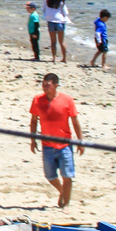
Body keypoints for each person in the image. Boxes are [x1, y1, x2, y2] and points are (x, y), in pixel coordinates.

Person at [30, 73, 83, 209]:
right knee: (50, 176)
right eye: (43, 84)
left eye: (48, 85)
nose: (45, 87)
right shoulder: (37, 100)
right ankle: (62, 192)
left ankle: (66, 204)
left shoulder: (67, 100)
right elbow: (34, 120)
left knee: (67, 176)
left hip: (65, 144)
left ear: (55, 85)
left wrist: (80, 141)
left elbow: (75, 121)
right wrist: (33, 139)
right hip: (47, 145)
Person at [43, 0, 71, 64]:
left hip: (50, 22)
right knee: (61, 41)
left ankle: (54, 58)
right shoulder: (61, 1)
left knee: (53, 41)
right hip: (60, 22)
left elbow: (43, 10)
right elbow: (65, 12)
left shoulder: (47, 0)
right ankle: (64, 58)